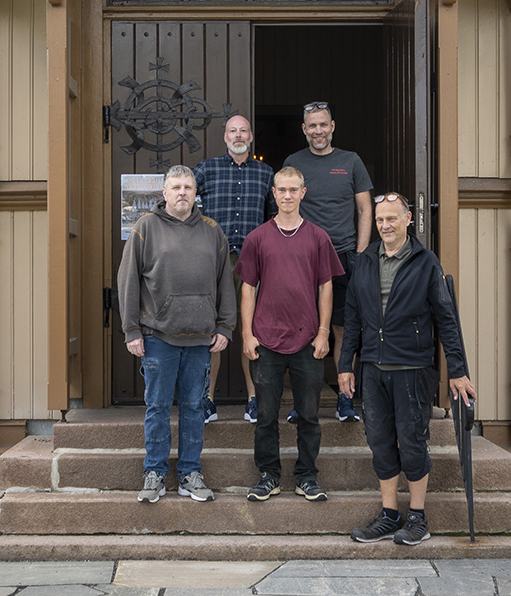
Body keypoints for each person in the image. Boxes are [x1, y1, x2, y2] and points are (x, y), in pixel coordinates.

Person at [338, 192, 476, 545]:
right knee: (381, 442)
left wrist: (457, 370)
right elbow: (352, 318)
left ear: (408, 219)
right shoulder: (366, 260)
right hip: (373, 367)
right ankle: (388, 515)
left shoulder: (425, 261)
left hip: (412, 368)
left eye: (392, 219)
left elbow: (446, 319)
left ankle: (417, 517)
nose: (384, 225)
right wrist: (345, 365)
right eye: (380, 219)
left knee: (413, 443)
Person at [117, 164, 236, 505]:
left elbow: (224, 283)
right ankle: (153, 473)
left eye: (188, 187)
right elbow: (128, 282)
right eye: (176, 187)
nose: (182, 192)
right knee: (156, 407)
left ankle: (189, 473)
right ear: (164, 193)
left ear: (196, 193)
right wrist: (131, 330)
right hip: (157, 336)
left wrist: (225, 326)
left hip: (200, 339)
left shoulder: (213, 232)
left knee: (193, 408)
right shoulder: (145, 228)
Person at [236, 166, 343, 503]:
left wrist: (324, 332)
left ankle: (307, 477)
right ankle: (268, 475)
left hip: (307, 340)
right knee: (266, 415)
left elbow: (326, 287)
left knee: (309, 415)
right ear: (273, 193)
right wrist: (247, 335)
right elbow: (247, 289)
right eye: (281, 190)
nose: (286, 196)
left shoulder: (318, 237)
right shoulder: (257, 238)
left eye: (293, 190)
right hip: (265, 340)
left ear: (303, 193)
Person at [284, 101, 373, 422]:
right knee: (305, 330)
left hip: (345, 257)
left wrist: (361, 255)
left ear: (332, 126)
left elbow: (365, 210)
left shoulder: (350, 162)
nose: (318, 131)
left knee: (343, 329)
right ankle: (303, 402)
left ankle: (345, 400)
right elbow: (286, 205)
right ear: (304, 129)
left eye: (323, 125)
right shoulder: (293, 162)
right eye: (312, 126)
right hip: (304, 260)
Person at [194, 114, 275, 425]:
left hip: (254, 262)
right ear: (225, 136)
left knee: (251, 330)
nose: (238, 135)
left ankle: (254, 399)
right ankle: (207, 400)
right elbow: (183, 202)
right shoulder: (206, 169)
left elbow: (273, 220)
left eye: (243, 130)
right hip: (214, 260)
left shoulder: (266, 173)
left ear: (251, 136)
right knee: (211, 329)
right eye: (232, 131)